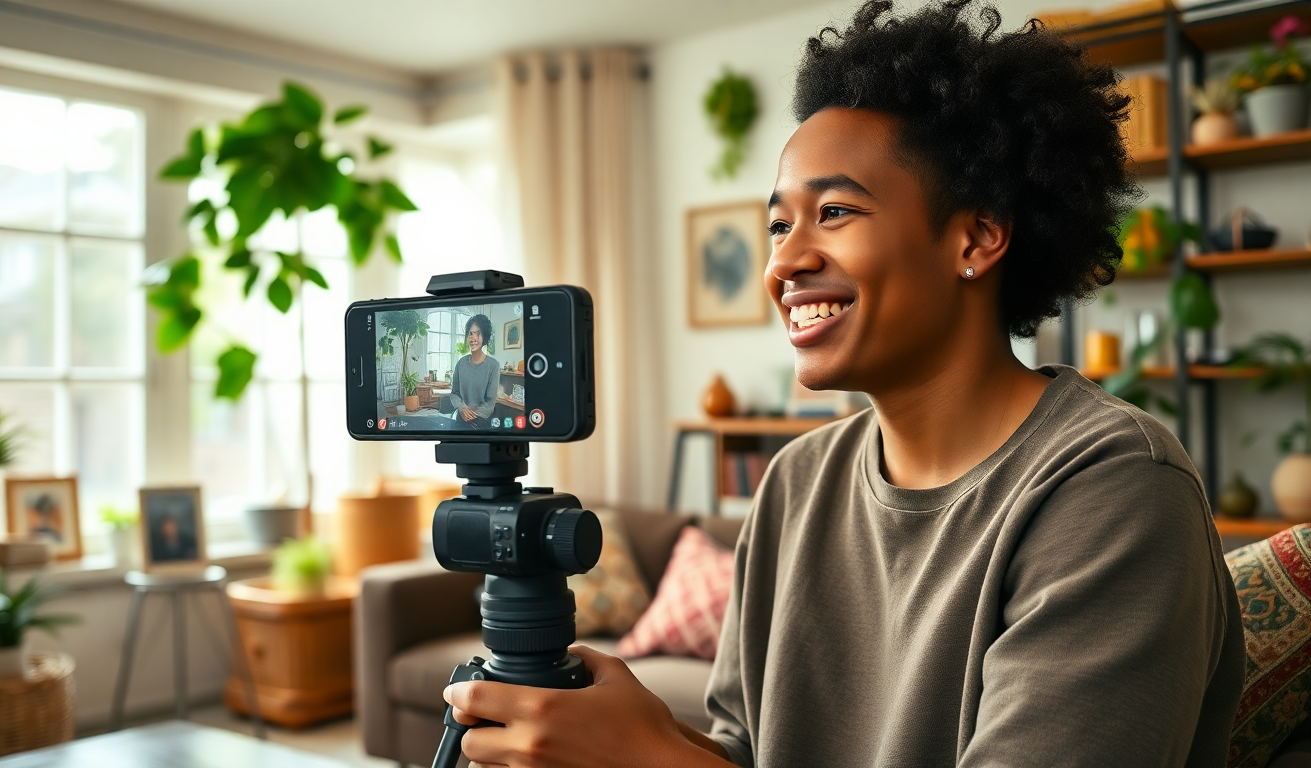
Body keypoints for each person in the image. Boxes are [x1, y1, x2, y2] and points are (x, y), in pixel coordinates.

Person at [442, 2, 1246, 766]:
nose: (785, 262)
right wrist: (632, 733)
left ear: (976, 237)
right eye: (779, 224)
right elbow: (746, 752)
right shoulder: (796, 482)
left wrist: (649, 759)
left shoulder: (1113, 488)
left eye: (834, 212)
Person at [447, 314, 501, 429]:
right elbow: (454, 393)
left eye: (478, 333)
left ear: (484, 337)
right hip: (461, 418)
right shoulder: (461, 363)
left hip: (482, 421)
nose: (473, 338)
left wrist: (472, 417)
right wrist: (461, 407)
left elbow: (490, 403)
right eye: (470, 333)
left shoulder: (493, 365)